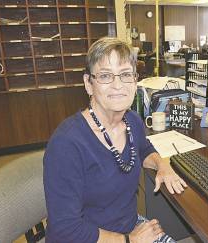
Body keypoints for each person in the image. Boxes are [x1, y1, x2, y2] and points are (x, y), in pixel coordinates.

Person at [43, 37, 187, 243]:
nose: (118, 85)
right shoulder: (66, 144)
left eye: (126, 74)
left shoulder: (132, 121)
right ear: (88, 84)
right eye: (105, 76)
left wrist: (162, 165)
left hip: (128, 226)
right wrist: (129, 240)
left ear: (135, 81)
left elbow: (145, 150)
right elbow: (65, 229)